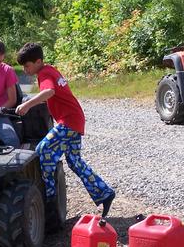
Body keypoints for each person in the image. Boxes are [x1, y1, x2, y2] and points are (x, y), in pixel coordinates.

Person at [15, 43, 115, 216]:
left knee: (43, 150)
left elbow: (49, 92)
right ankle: (105, 193)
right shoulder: (50, 70)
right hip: (75, 118)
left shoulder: (44, 73)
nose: (25, 70)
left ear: (38, 61)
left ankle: (50, 200)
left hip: (68, 121)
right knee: (75, 162)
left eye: (27, 65)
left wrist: (27, 105)